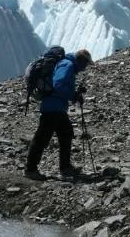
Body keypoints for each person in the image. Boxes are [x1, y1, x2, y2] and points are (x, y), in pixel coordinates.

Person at [25, 49, 93, 180]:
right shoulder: (67, 65)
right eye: (85, 64)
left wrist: (73, 95)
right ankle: (31, 169)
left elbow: (60, 86)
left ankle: (65, 168)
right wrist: (73, 95)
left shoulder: (67, 65)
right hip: (53, 107)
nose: (84, 68)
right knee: (43, 137)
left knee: (65, 133)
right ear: (80, 61)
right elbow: (58, 85)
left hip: (56, 107)